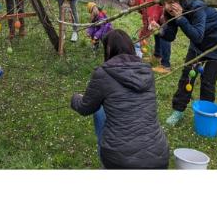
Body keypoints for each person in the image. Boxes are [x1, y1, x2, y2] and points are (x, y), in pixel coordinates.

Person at [70, 29, 169, 169]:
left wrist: (75, 98)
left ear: (108, 49)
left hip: (120, 159)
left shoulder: (103, 73)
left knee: (99, 110)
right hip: (159, 155)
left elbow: (85, 108)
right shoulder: (147, 71)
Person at [157, 0, 217, 126]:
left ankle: (205, 115)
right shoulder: (171, 12)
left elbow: (197, 36)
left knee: (207, 81)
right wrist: (159, 31)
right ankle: (178, 111)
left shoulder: (197, 7)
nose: (167, 7)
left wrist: (181, 18)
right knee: (187, 75)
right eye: (164, 4)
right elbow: (170, 36)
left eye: (171, 2)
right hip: (199, 46)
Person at [117, 0, 178, 74]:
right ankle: (157, 55)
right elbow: (147, 19)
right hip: (163, 12)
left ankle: (166, 65)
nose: (130, 6)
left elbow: (150, 20)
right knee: (157, 31)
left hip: (171, 9)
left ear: (131, 0)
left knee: (164, 34)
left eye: (128, 4)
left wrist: (142, 37)